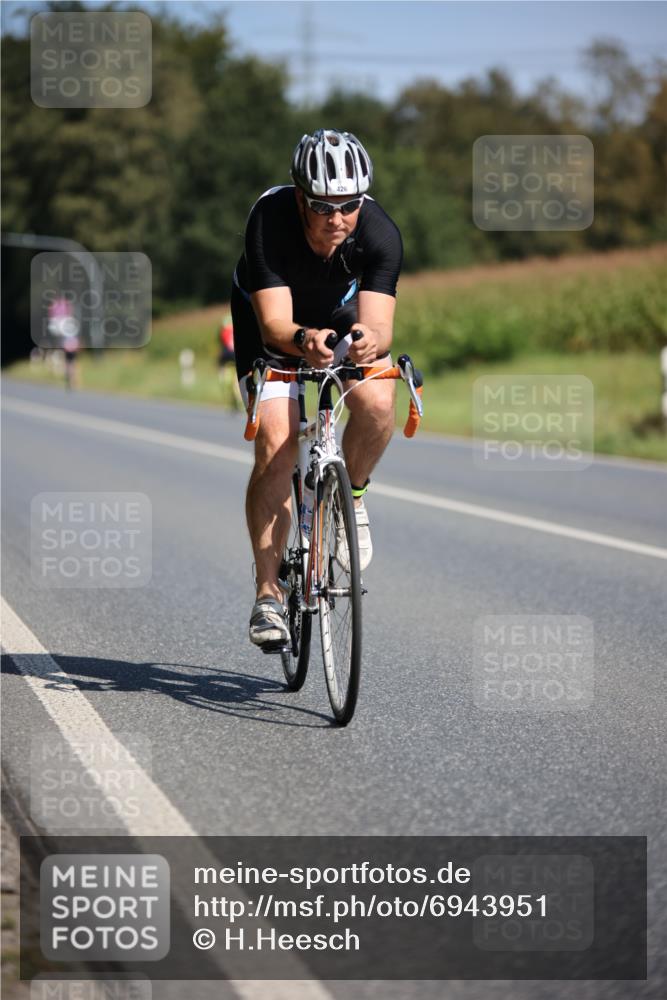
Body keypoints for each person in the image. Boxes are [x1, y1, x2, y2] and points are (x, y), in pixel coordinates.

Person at [231, 129, 403, 649]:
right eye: (324, 206)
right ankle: (267, 594)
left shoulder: (379, 232)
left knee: (378, 400)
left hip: (339, 313)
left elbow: (380, 326)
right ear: (301, 198)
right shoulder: (269, 219)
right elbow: (274, 326)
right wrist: (304, 340)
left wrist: (368, 343)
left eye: (349, 205)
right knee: (277, 446)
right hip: (274, 324)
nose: (337, 218)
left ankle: (352, 496)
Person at [217, 314, 243, 410]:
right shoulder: (237, 329)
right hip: (236, 356)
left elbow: (222, 346)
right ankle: (238, 397)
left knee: (225, 375)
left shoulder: (223, 332)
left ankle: (222, 374)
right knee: (236, 378)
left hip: (226, 356)